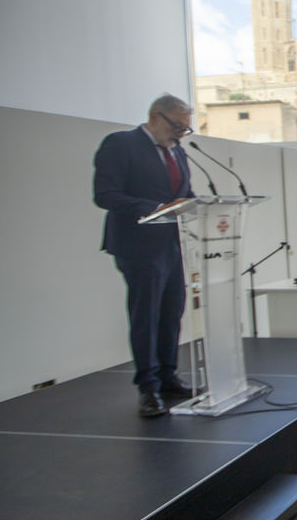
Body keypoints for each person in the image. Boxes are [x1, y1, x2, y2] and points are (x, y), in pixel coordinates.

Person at [93, 94, 195, 418]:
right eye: (177, 126)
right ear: (155, 116)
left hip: (170, 245)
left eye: (185, 129)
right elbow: (105, 195)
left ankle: (168, 378)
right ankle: (148, 388)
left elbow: (182, 194)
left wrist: (196, 204)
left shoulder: (177, 151)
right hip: (137, 246)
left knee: (171, 313)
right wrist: (152, 209)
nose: (181, 134)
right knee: (146, 317)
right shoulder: (121, 144)